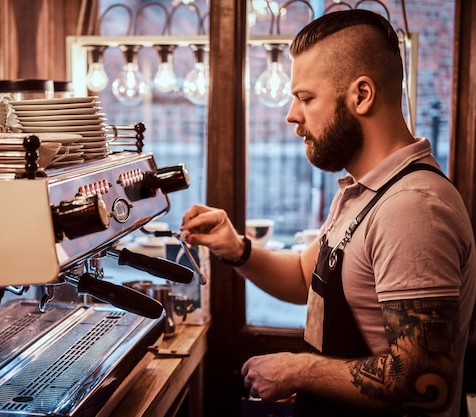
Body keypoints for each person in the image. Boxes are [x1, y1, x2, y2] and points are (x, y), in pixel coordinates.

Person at [181, 9, 476, 417]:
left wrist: (300, 370)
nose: (291, 114)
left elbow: (426, 383)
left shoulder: (412, 208)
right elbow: (306, 279)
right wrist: (235, 248)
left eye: (305, 98)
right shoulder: (363, 191)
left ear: (361, 95)